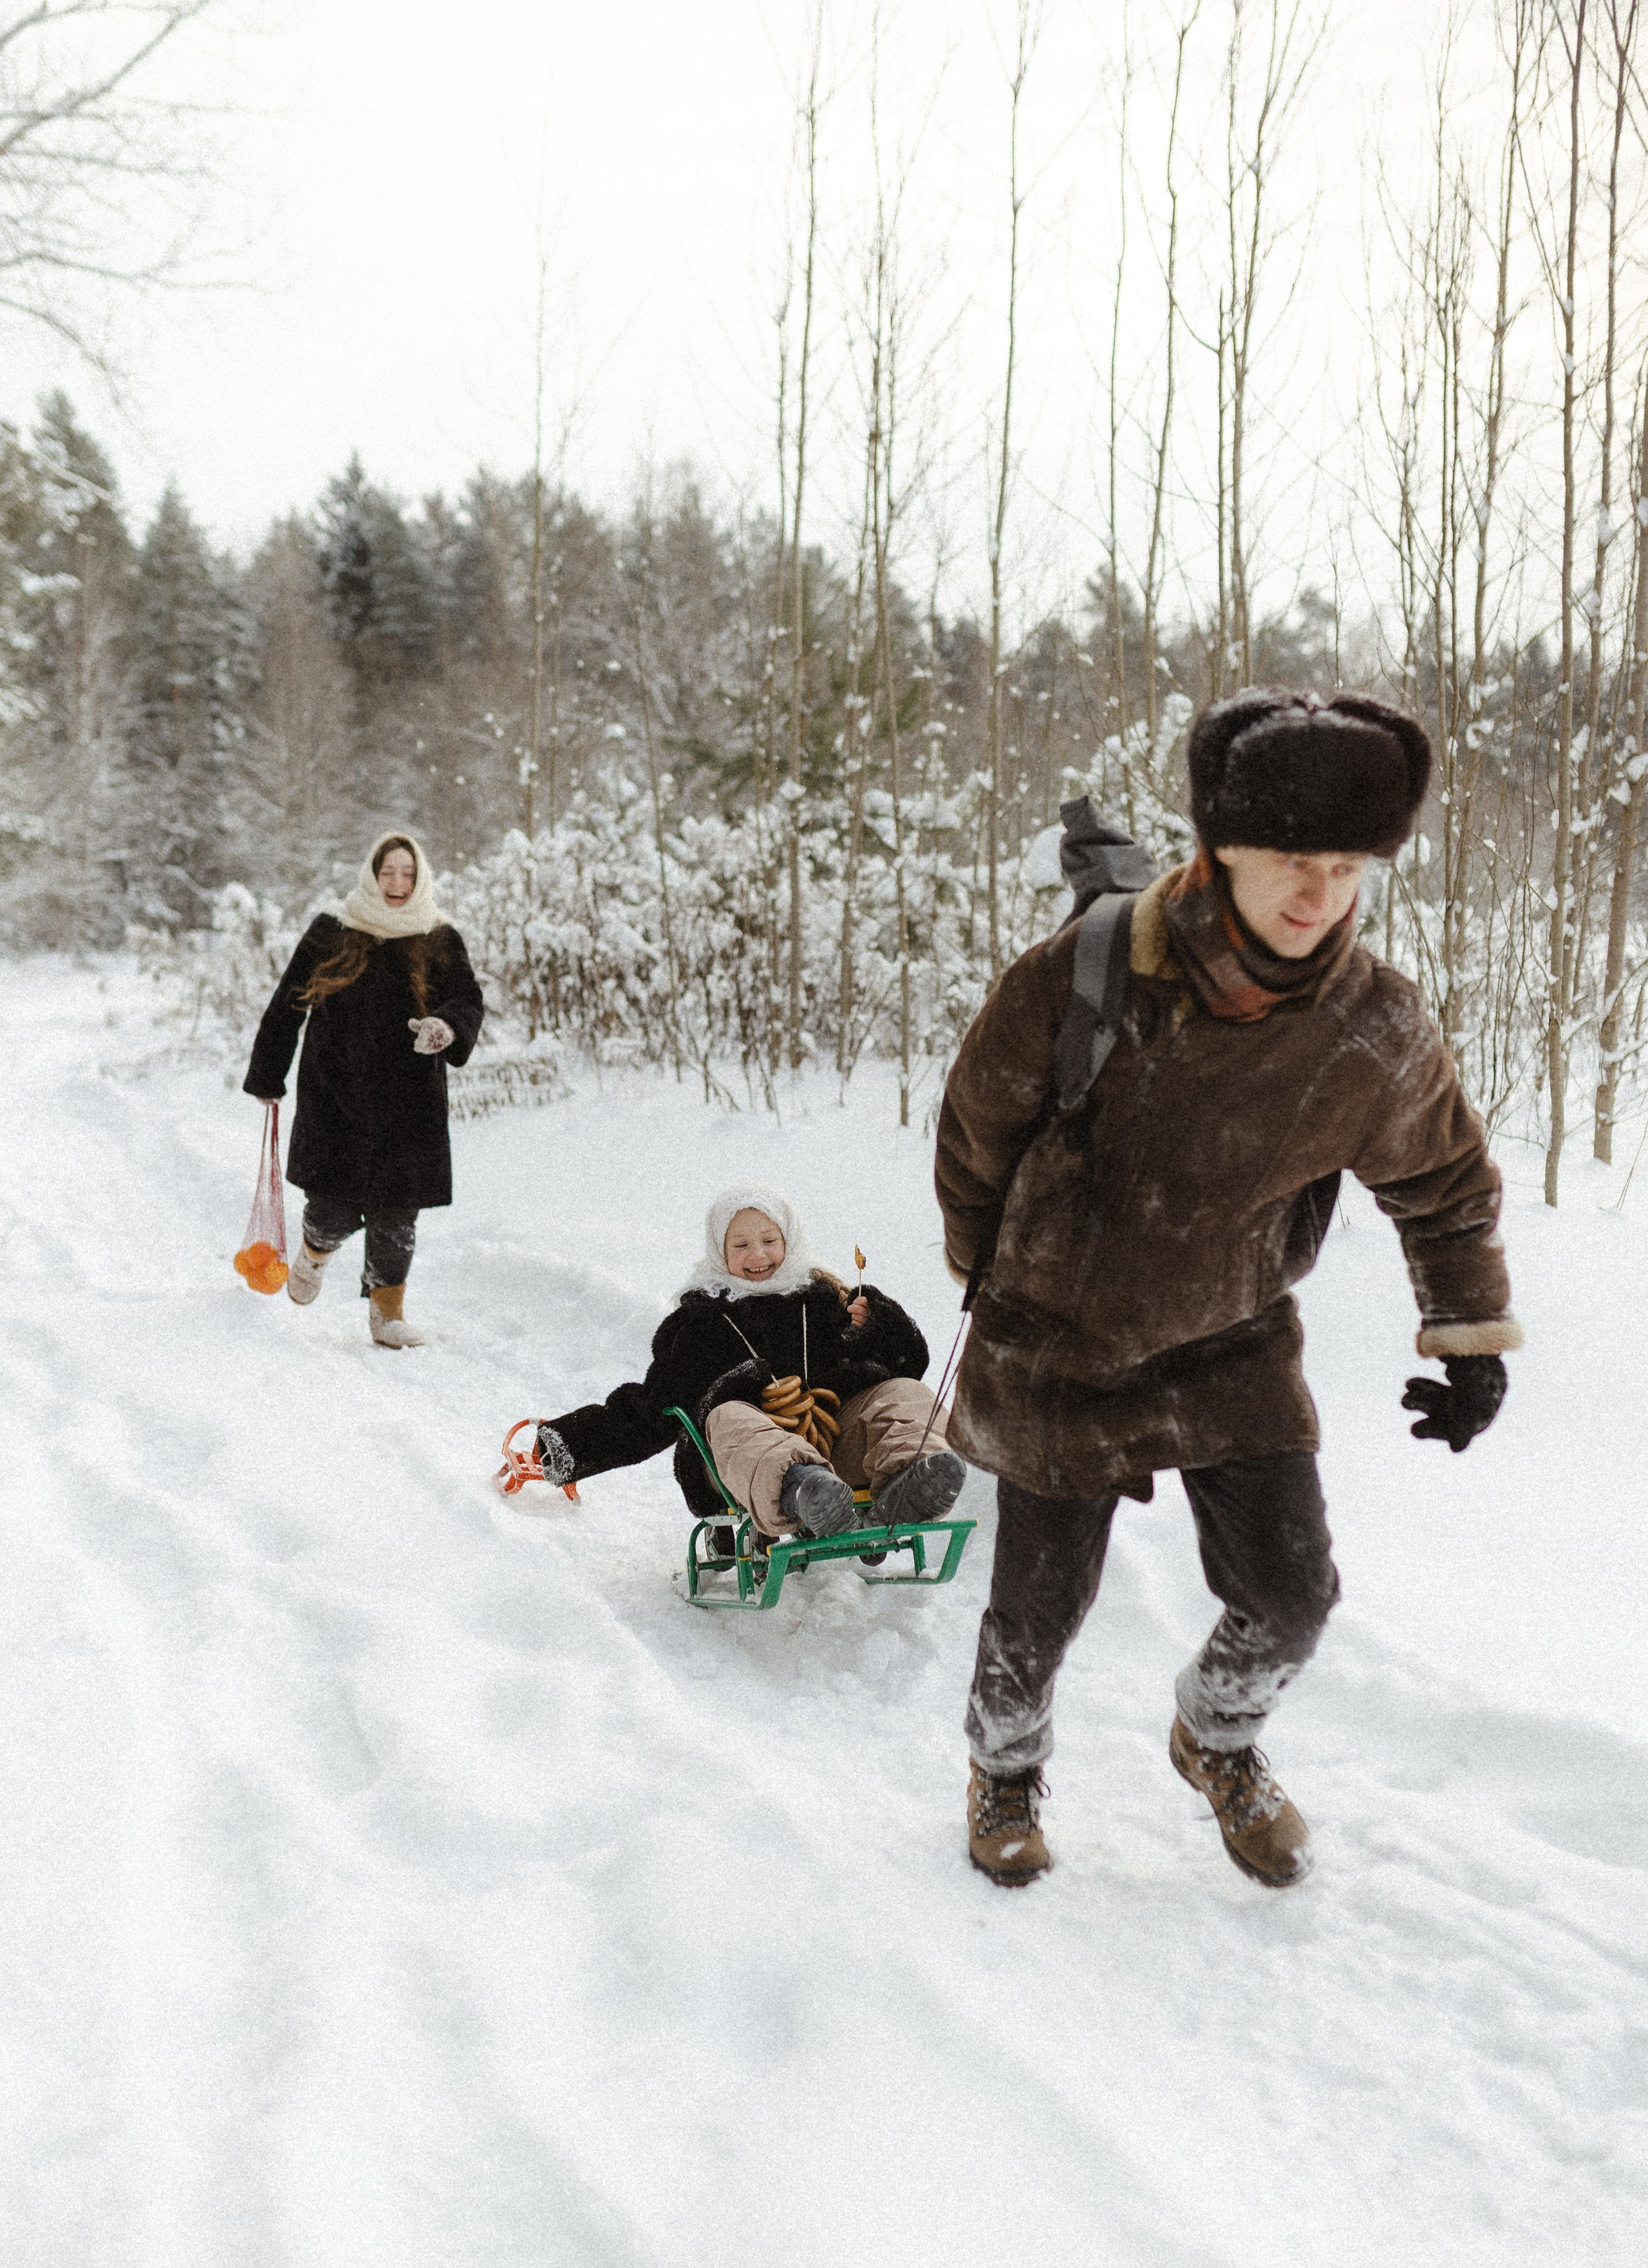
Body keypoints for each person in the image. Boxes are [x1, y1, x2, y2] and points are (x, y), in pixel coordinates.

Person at [935, 689, 1521, 1891]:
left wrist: (1469, 1336)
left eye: (1348, 868)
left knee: (1294, 1595)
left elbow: (1444, 1178)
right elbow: (976, 1129)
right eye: (1294, 861)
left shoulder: (1372, 1024)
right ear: (1223, 852)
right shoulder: (1089, 972)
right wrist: (987, 1270)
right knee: (1035, 1614)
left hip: (1232, 1337)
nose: (1321, 895)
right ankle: (1004, 1766)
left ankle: (1217, 1735)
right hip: (1059, 1342)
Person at [533, 1180, 966, 1539]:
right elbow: (651, 1411)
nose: (758, 1256)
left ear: (789, 1240)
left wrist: (880, 1326)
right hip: (738, 1467)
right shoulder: (701, 1323)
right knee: (729, 1415)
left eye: (769, 1241)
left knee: (904, 1393)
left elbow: (909, 1364)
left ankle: (914, 1478)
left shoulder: (824, 1299)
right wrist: (570, 1445)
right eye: (741, 1245)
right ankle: (804, 1491)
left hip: (836, 1450)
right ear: (719, 1250)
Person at [244, 830, 484, 1347]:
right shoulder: (334, 930)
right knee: (330, 1208)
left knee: (397, 1214)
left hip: (410, 1103)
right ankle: (314, 1251)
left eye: (408, 874)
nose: (397, 883)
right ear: (372, 875)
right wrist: (268, 1074)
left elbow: (467, 1000)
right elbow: (288, 1003)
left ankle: (387, 1315)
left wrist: (445, 1027)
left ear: (420, 878)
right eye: (388, 872)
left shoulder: (438, 936)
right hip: (336, 1096)